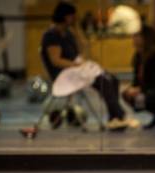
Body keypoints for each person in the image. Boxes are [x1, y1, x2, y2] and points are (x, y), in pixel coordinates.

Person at [41, 1, 138, 131]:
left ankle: (114, 117)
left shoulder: (68, 33)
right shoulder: (52, 35)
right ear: (66, 16)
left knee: (112, 79)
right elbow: (56, 61)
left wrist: (78, 31)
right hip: (64, 75)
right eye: (73, 16)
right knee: (104, 81)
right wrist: (77, 65)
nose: (75, 19)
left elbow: (84, 49)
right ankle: (119, 115)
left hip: (75, 69)